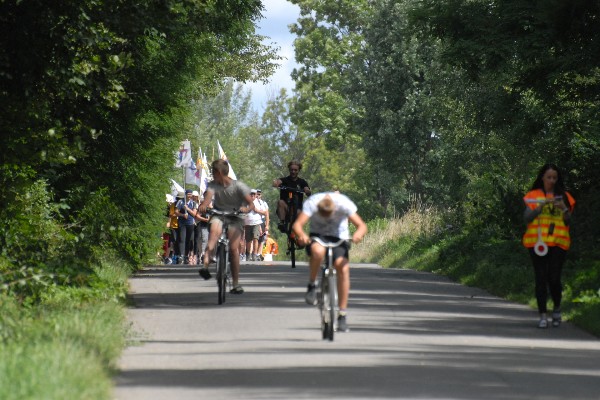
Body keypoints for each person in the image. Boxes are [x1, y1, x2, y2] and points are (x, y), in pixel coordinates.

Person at [292, 192, 368, 332]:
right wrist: (302, 235)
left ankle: (342, 315)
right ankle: (312, 284)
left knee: (343, 268)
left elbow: (361, 225)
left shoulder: (344, 204)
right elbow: (298, 225)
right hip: (318, 236)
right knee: (317, 252)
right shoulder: (312, 202)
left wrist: (358, 234)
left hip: (339, 237)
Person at [523, 163, 575, 329]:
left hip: (558, 243)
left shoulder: (564, 196)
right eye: (549, 177)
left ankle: (557, 309)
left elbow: (568, 221)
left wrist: (564, 208)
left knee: (554, 278)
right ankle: (543, 315)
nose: (552, 180)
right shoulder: (533, 196)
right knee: (541, 278)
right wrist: (541, 206)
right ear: (542, 178)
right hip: (537, 243)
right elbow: (527, 218)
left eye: (554, 177)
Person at [198, 159, 255, 294]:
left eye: (213, 172)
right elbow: (207, 199)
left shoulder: (238, 186)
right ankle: (205, 266)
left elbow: (251, 204)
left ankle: (235, 284)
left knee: (234, 248)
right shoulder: (213, 185)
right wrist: (204, 206)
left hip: (235, 216)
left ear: (218, 172)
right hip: (219, 214)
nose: (212, 175)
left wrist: (245, 209)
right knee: (213, 233)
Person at [273, 160, 311, 232]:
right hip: (285, 208)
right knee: (280, 202)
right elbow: (277, 182)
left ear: (298, 170)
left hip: (297, 209)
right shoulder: (284, 180)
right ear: (289, 170)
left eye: (295, 170)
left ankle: (297, 232)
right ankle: (282, 223)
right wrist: (276, 183)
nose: (293, 172)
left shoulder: (302, 182)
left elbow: (307, 189)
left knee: (301, 214)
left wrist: (307, 191)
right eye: (291, 170)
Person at [175, 189, 197, 264]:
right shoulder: (180, 202)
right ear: (185, 195)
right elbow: (176, 212)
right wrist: (182, 215)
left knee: (189, 240)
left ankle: (186, 255)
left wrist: (187, 209)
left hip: (190, 223)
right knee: (182, 238)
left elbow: (194, 214)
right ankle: (181, 255)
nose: (189, 196)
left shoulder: (193, 203)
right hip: (182, 223)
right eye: (188, 194)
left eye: (191, 194)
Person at [244, 189, 263, 261]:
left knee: (256, 239)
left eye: (254, 195)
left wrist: (256, 210)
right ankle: (248, 254)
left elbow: (264, 212)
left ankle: (254, 254)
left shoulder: (259, 202)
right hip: (247, 223)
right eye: (251, 195)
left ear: (255, 195)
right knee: (248, 240)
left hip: (256, 223)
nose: (252, 196)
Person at [192, 190, 209, 265]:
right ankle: (202, 254)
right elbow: (197, 216)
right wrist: (205, 219)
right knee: (203, 239)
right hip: (203, 225)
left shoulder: (214, 205)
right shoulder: (202, 205)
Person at [255, 189, 270, 258]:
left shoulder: (264, 203)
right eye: (257, 194)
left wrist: (267, 225)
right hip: (255, 220)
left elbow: (267, 214)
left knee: (262, 238)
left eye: (259, 194)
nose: (258, 195)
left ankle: (259, 253)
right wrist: (261, 212)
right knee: (256, 237)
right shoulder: (254, 202)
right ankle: (254, 253)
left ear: (261, 195)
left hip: (263, 220)